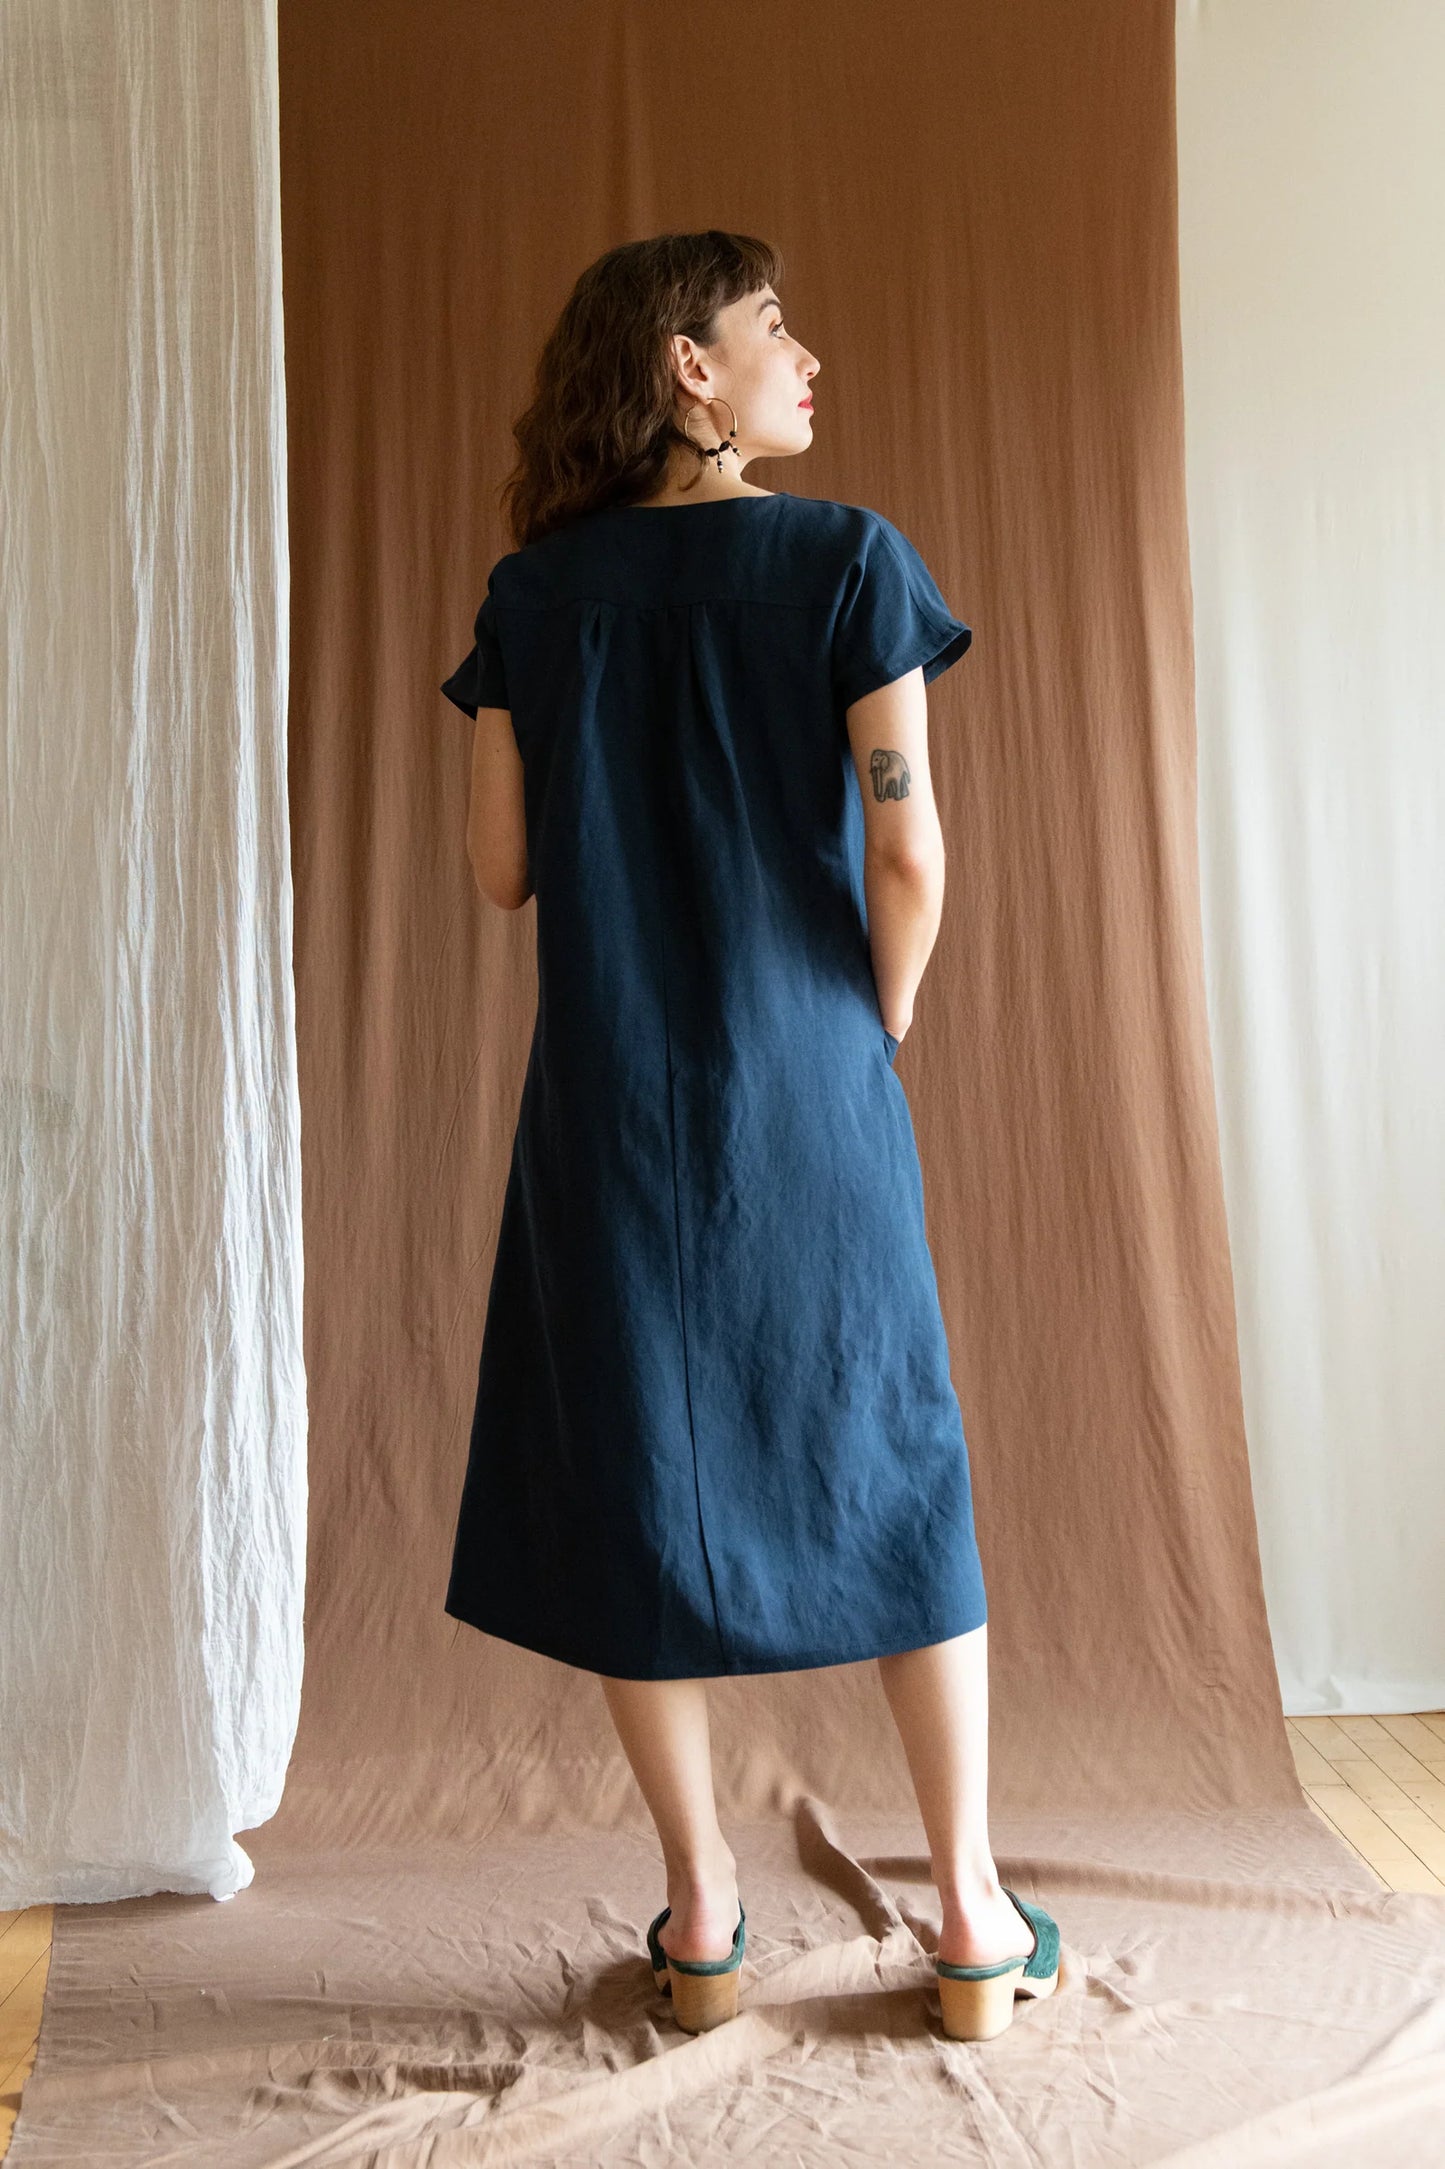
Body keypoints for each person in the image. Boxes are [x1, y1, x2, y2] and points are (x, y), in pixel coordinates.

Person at [439, 229, 1059, 2041]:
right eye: (773, 327)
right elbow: (908, 845)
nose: (807, 357)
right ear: (687, 366)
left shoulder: (533, 597)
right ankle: (967, 1919)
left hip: (606, 1103)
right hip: (809, 1084)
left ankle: (702, 1916)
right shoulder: (846, 560)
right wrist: (879, 1016)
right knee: (894, 1456)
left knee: (638, 1473)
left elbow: (502, 872)